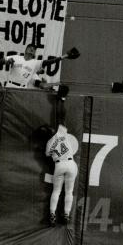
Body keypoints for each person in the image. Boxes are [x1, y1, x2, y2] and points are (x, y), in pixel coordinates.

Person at [43, 87, 78, 226]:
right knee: (69, 191)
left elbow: (47, 155)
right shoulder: (60, 133)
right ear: (51, 130)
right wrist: (61, 100)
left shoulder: (48, 144)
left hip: (58, 165)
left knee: (56, 191)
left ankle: (52, 214)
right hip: (70, 163)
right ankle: (67, 215)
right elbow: (62, 116)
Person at [0, 44, 80, 89]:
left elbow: (48, 62)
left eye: (34, 49)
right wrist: (6, 61)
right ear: (26, 49)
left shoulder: (35, 63)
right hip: (9, 86)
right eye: (30, 48)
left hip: (22, 88)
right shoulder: (16, 57)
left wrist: (63, 56)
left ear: (35, 53)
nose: (32, 49)